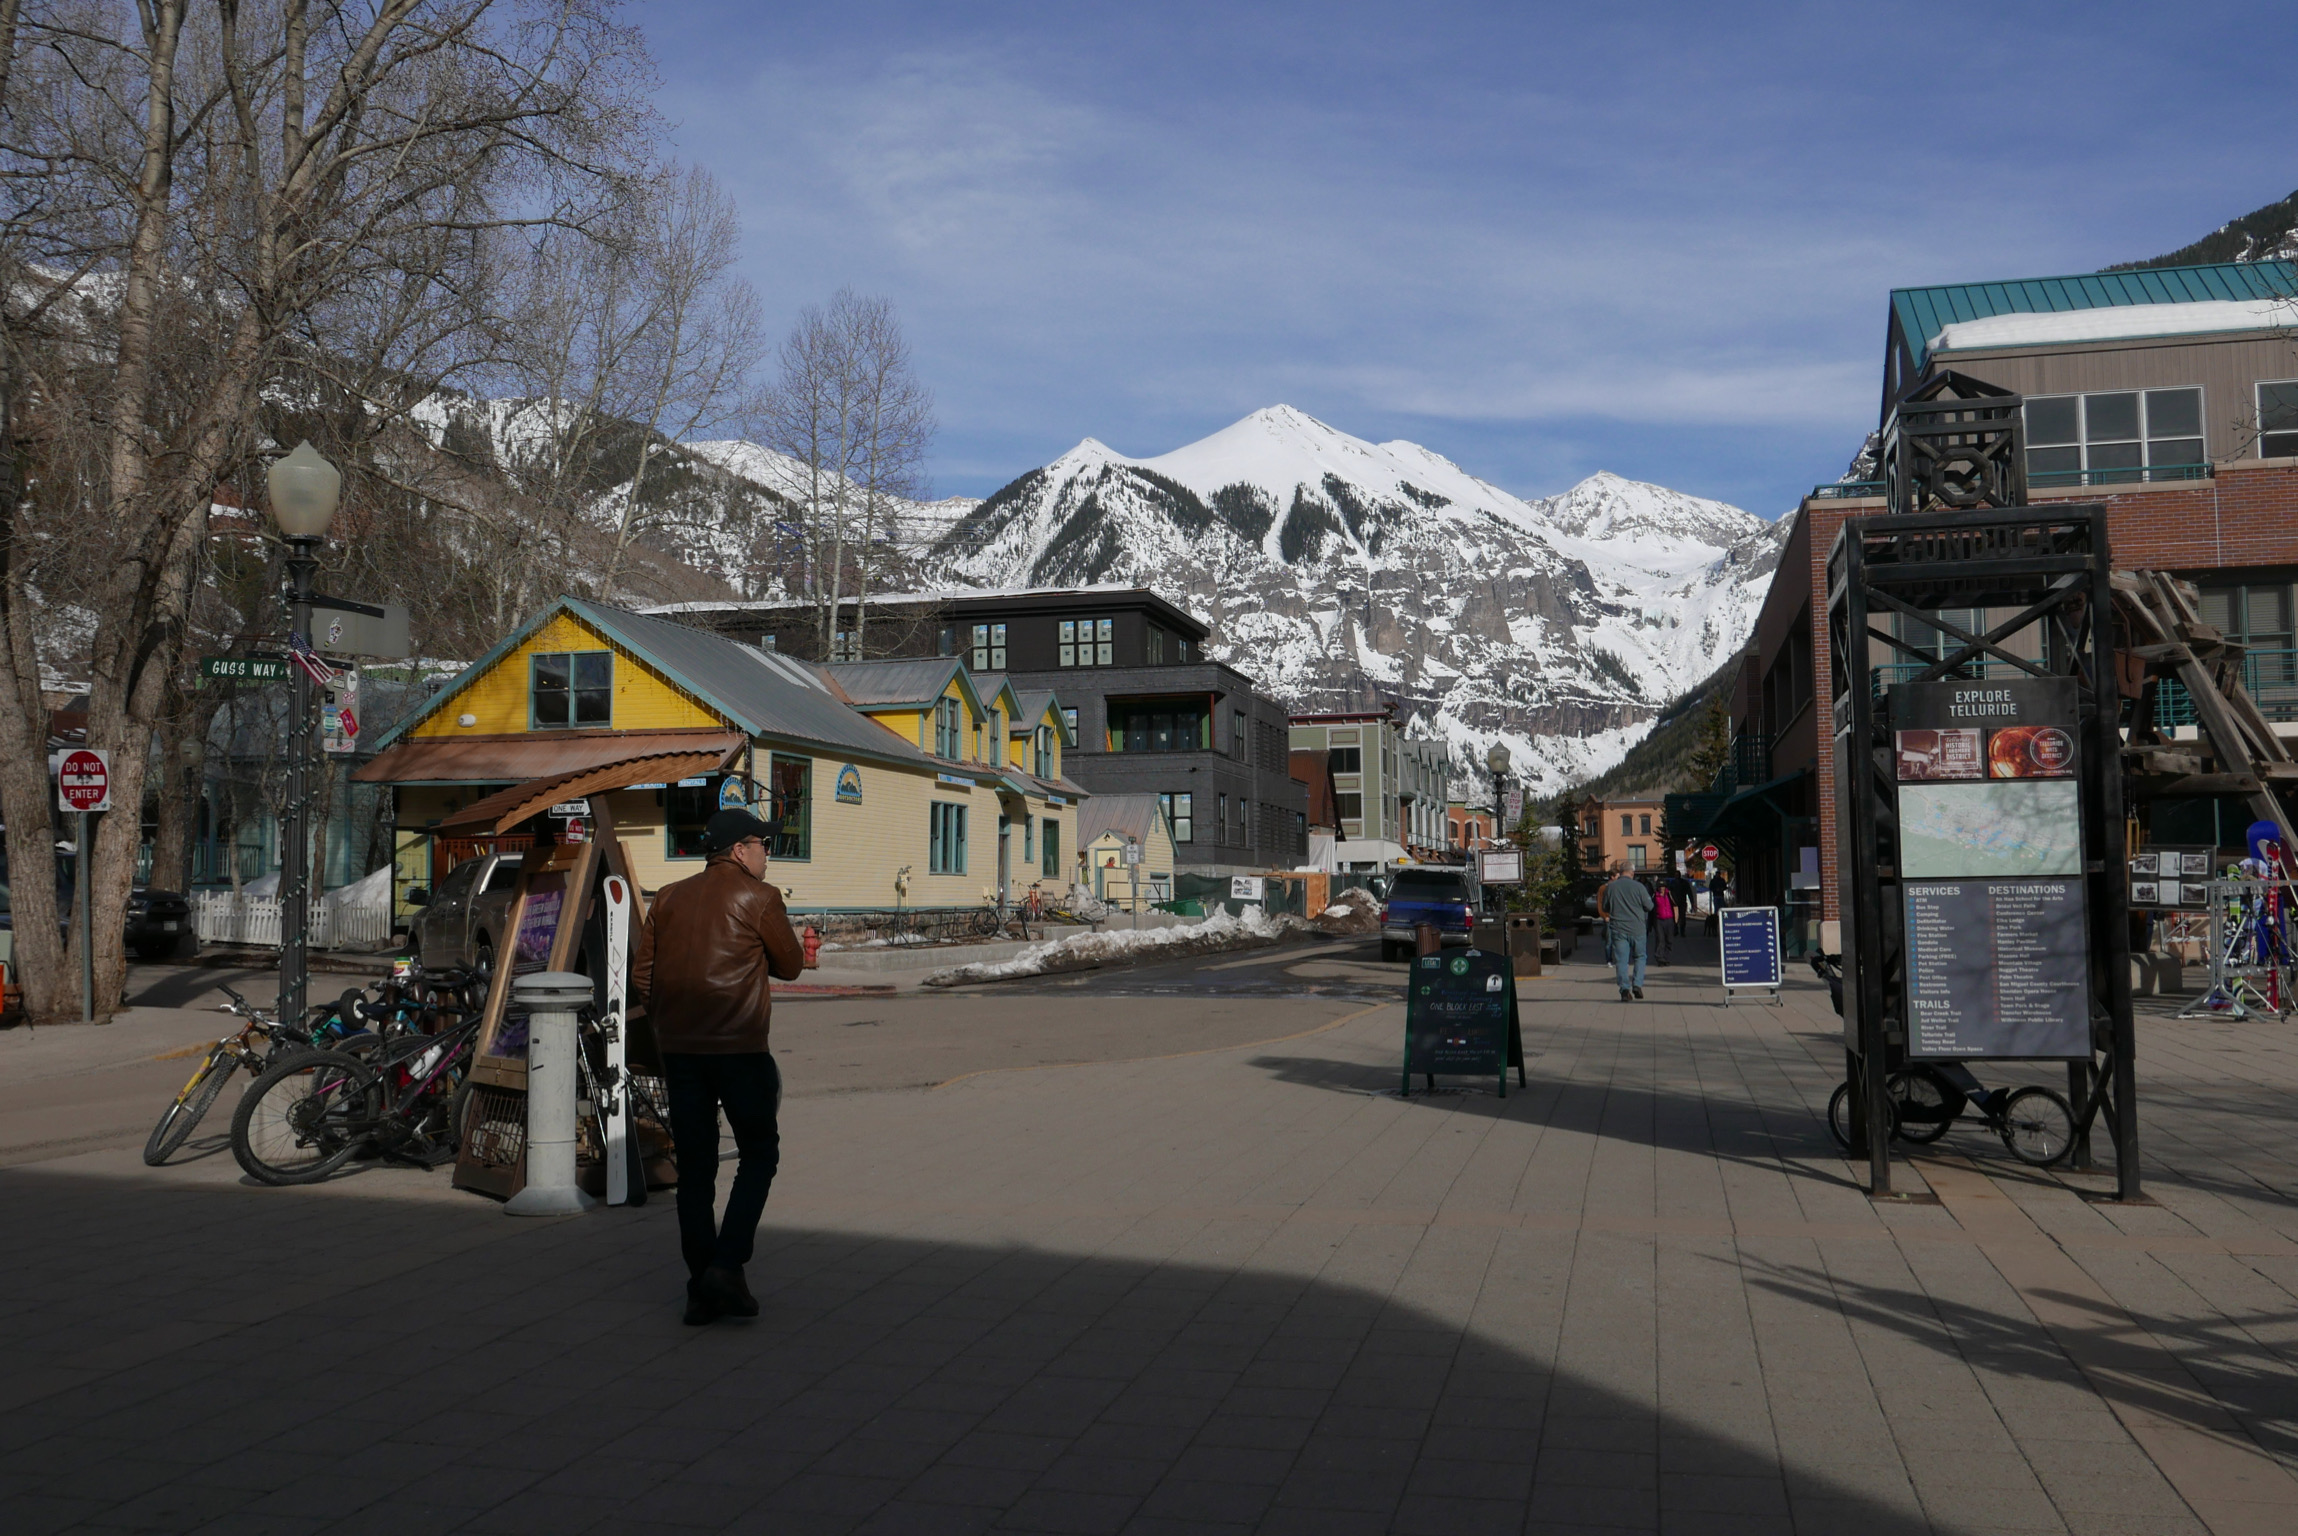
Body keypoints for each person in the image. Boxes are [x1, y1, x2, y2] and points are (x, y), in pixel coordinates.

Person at [631, 807, 806, 1326]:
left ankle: (699, 1287)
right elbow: (792, 965)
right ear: (738, 850)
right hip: (740, 1051)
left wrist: (672, 1026)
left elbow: (645, 977)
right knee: (759, 1154)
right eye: (763, 845)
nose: (767, 854)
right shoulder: (760, 897)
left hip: (682, 1054)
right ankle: (726, 1266)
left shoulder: (667, 896)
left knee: (696, 1171)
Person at [1596, 863, 1655, 1001]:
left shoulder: (1611, 887)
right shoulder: (1639, 887)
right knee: (1640, 957)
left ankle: (1624, 989)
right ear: (1632, 873)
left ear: (1620, 872)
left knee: (1621, 961)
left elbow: (1605, 906)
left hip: (1618, 928)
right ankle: (1637, 984)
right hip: (1637, 929)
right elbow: (1650, 906)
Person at [1652, 879, 1675, 961]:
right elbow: (1651, 909)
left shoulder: (1669, 894)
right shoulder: (1655, 896)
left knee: (1669, 940)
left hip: (1669, 919)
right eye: (1660, 887)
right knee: (1660, 939)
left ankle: (1667, 957)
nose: (1662, 888)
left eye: (1663, 887)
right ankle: (1660, 957)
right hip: (1659, 920)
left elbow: (1675, 904)